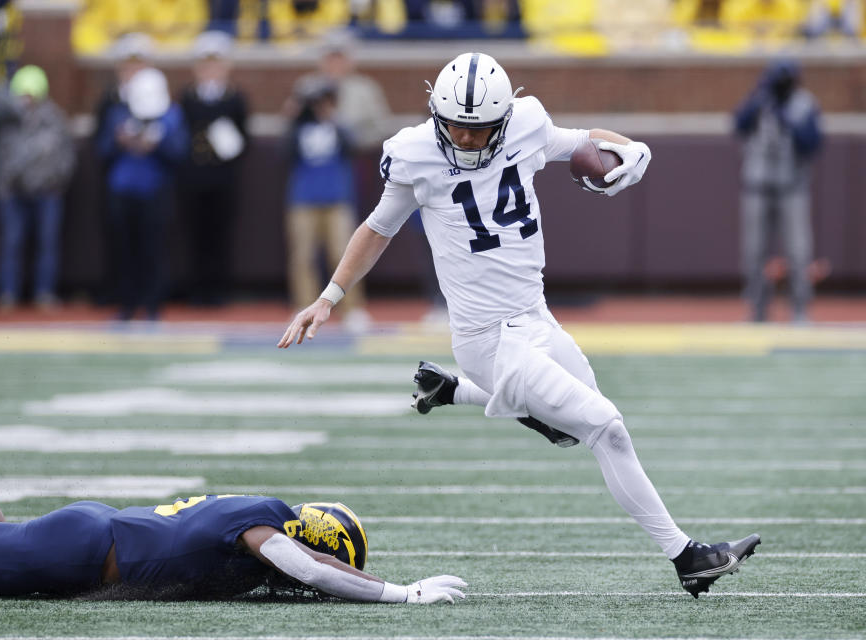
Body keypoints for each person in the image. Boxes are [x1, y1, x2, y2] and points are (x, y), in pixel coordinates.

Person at [279, 52, 761, 598]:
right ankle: (687, 556)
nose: (463, 139)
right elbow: (376, 228)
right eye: (454, 126)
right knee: (606, 425)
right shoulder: (412, 154)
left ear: (504, 118)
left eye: (477, 128)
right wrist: (329, 296)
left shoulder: (527, 124)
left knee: (577, 431)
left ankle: (450, 390)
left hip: (536, 317)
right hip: (488, 339)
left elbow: (580, 141)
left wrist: (629, 150)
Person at [0, 401, 466, 603]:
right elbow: (307, 567)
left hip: (87, 541)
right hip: (82, 549)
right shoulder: (266, 528)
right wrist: (400, 593)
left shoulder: (260, 521)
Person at [97, 66, 189, 321]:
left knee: (154, 250)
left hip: (156, 193)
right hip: (122, 192)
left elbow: (180, 153)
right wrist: (120, 141)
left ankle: (152, 304)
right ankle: (126, 303)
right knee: (125, 250)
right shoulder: (118, 114)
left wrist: (156, 145)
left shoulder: (172, 116)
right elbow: (103, 150)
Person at [734, 59, 822, 323]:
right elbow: (738, 124)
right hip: (757, 186)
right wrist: (759, 102)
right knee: (754, 251)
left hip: (791, 187)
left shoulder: (805, 104)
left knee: (798, 250)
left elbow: (813, 143)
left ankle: (799, 309)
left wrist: (789, 121)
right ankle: (757, 310)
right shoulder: (761, 99)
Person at [284, 76, 369, 332]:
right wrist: (292, 117)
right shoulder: (298, 128)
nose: (320, 106)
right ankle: (303, 306)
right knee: (302, 257)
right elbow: (284, 152)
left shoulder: (338, 127)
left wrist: (335, 119)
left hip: (336, 199)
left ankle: (352, 308)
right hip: (303, 200)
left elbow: (354, 145)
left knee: (344, 255)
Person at [0, 65, 76, 311]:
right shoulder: (7, 121)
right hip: (14, 193)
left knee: (47, 243)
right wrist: (4, 186)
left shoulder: (55, 119)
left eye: (30, 94)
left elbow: (67, 155)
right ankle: (8, 293)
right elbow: (0, 156)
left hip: (47, 192)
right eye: (22, 94)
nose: (26, 100)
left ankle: (44, 292)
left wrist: (57, 181)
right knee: (11, 242)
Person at [179, 30, 248, 306]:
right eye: (205, 64)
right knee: (195, 234)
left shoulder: (234, 98)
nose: (210, 70)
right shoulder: (187, 97)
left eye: (215, 63)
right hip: (194, 177)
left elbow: (243, 139)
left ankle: (219, 289)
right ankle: (197, 289)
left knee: (220, 234)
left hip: (223, 178)